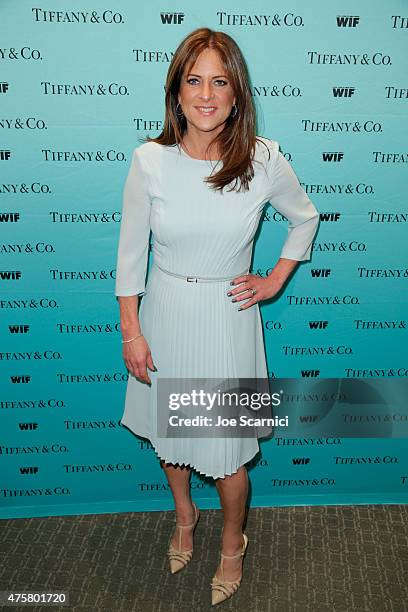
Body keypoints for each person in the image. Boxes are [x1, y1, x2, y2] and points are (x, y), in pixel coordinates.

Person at [114, 27, 320, 606]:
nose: (206, 94)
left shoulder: (263, 159)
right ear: (176, 93)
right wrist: (132, 331)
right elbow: (130, 255)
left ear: (236, 94)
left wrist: (274, 279)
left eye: (219, 81)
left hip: (228, 322)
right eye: (194, 80)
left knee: (226, 454)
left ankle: (233, 541)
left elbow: (305, 218)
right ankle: (184, 517)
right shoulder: (150, 161)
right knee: (170, 433)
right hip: (166, 312)